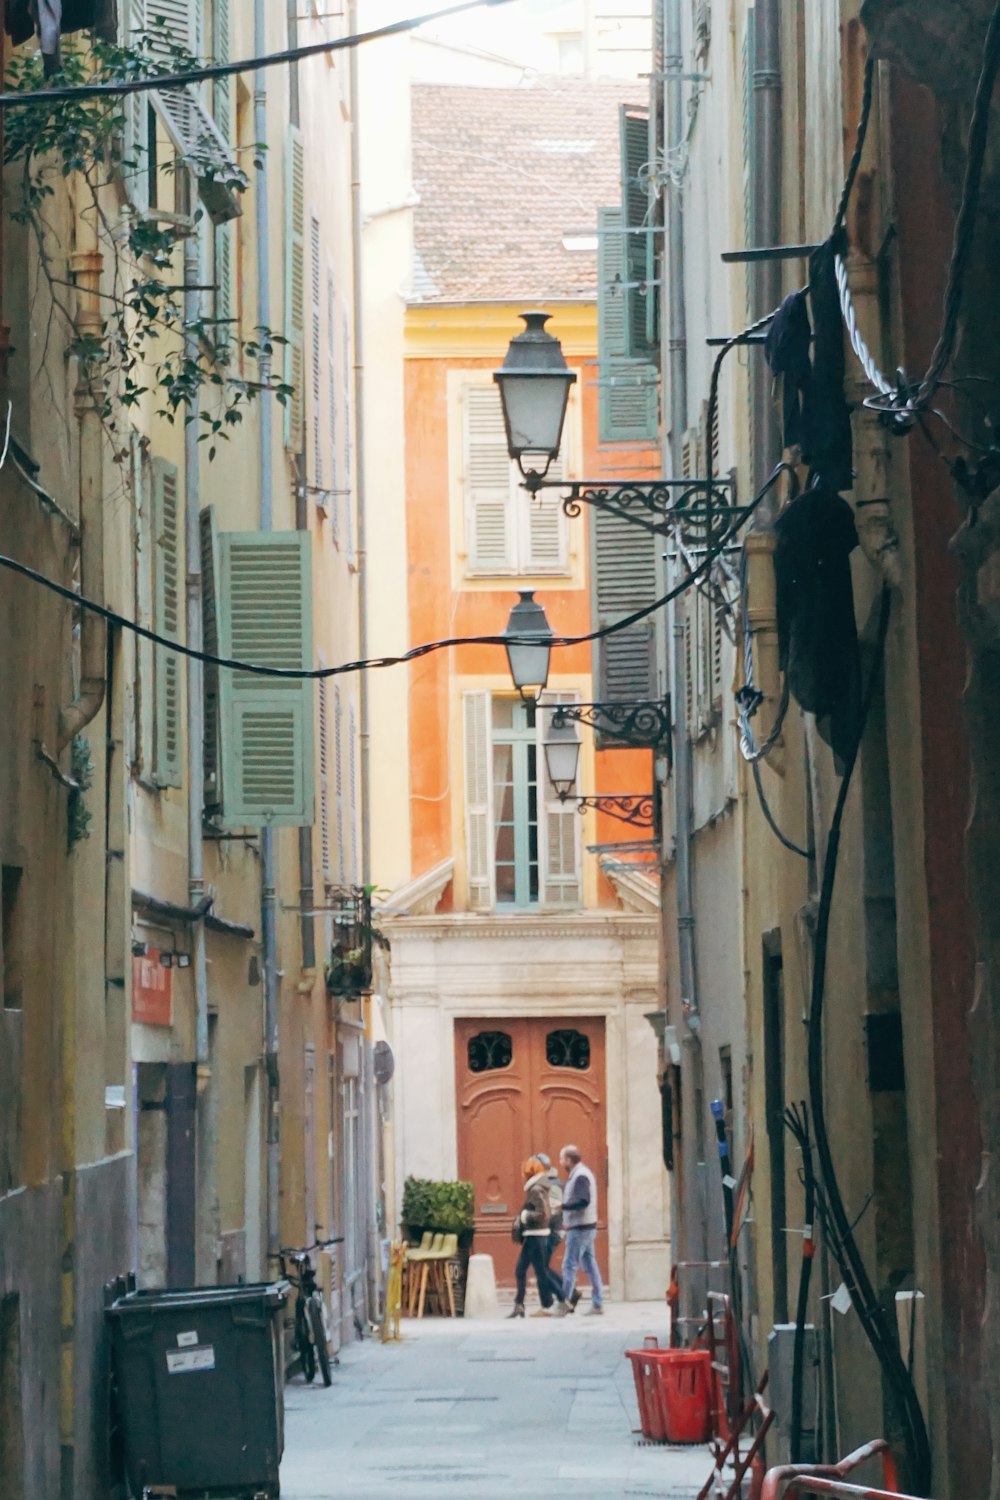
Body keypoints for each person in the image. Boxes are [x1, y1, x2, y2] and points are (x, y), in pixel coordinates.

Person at [508, 1157, 568, 1319]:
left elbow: (543, 1214)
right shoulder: (538, 1188)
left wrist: (525, 1216)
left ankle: (558, 1300)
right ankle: (521, 1305)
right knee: (530, 1271)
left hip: (535, 1236)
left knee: (534, 1272)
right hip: (534, 1236)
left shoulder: (536, 1189)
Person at [559, 1144, 604, 1315]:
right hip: (585, 1227)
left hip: (580, 1228)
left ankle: (563, 1303)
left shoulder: (580, 1176)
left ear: (569, 1160)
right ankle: (598, 1302)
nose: (560, 1161)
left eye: (562, 1158)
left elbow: (583, 1200)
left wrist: (563, 1206)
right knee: (590, 1265)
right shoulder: (580, 1174)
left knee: (569, 1265)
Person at [535, 1150, 567, 1306]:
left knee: (541, 1268)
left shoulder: (552, 1185)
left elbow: (554, 1210)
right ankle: (549, 1302)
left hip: (550, 1232)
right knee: (542, 1267)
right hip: (548, 1231)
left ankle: (565, 1295)